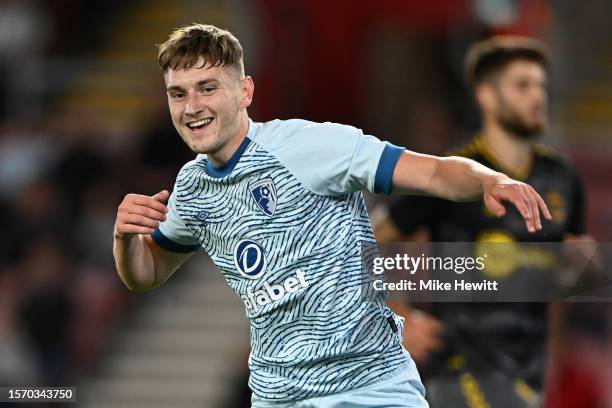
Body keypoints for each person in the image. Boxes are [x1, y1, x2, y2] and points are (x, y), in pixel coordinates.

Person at [112, 25, 550, 408]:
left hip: (370, 388)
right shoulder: (192, 189)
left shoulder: (310, 146)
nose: (192, 107)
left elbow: (432, 171)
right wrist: (126, 238)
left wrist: (490, 180)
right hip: (276, 396)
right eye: (178, 93)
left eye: (208, 88)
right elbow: (147, 272)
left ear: (245, 91)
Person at [375, 36, 591, 407]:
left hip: (529, 377)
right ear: (487, 97)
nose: (538, 96)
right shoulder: (451, 175)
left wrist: (585, 271)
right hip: (458, 372)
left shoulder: (564, 179)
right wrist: (396, 316)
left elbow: (564, 285)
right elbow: (366, 243)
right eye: (523, 85)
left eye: (541, 85)